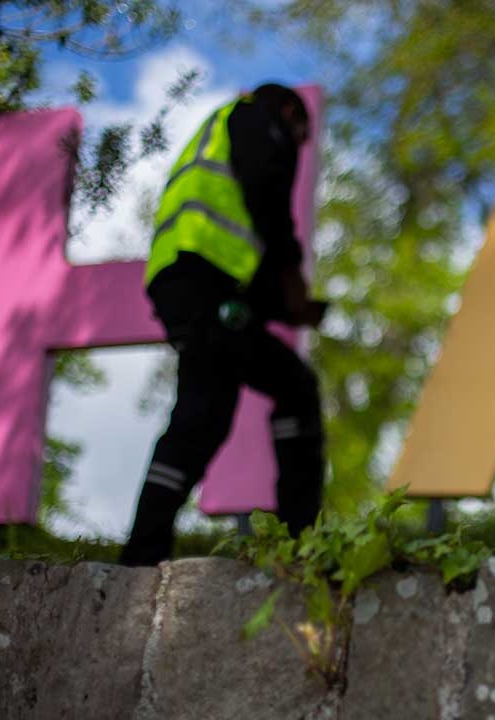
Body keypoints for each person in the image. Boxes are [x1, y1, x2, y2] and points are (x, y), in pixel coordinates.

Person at [120, 84, 327, 566]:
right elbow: (267, 194)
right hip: (204, 287)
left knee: (201, 416)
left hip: (191, 287)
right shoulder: (258, 119)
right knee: (293, 388)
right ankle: (301, 543)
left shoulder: (221, 132)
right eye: (299, 136)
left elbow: (236, 238)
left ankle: (140, 557)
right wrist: (292, 270)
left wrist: (279, 306)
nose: (296, 148)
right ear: (291, 112)